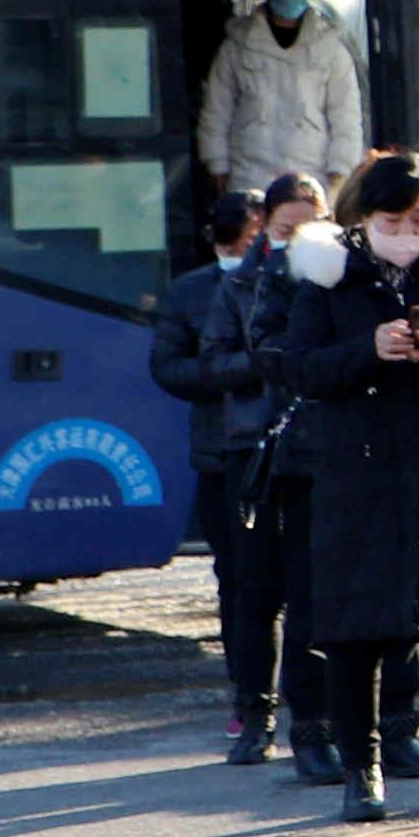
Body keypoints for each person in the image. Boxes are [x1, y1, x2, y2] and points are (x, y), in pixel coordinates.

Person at [272, 149, 419, 822]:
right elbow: (301, 370)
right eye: (392, 218)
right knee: (354, 635)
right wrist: (367, 349)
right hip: (356, 480)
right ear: (363, 217)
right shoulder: (328, 277)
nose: (407, 230)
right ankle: (361, 772)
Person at [152, 173, 320, 761]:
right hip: (239, 455)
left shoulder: (333, 279)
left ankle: (313, 721)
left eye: (311, 227)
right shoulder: (230, 286)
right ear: (262, 229)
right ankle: (254, 711)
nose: (298, 239)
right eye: (285, 228)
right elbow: (192, 365)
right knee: (250, 591)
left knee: (312, 592)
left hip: (315, 455)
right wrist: (261, 366)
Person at [200, 0, 360, 212]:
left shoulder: (332, 49)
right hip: (249, 177)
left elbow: (346, 118)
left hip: (313, 180)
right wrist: (218, 166)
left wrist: (340, 175)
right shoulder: (236, 47)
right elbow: (216, 112)